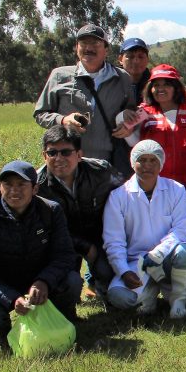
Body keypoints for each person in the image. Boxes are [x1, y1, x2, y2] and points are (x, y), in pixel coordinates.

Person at [0, 161, 81, 355]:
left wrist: (44, 281)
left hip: (40, 279)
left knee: (72, 281)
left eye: (21, 184)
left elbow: (64, 255)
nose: (14, 190)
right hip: (2, 282)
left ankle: (62, 319)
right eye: (8, 184)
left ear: (35, 188)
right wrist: (12, 298)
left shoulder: (51, 211)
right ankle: (2, 334)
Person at [102, 140, 186, 319]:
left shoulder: (176, 190)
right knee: (119, 297)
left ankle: (178, 300)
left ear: (161, 163)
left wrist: (159, 253)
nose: (147, 165)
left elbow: (181, 229)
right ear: (133, 163)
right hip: (136, 262)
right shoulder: (118, 197)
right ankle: (149, 294)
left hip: (169, 256)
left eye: (153, 160)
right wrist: (124, 271)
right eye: (142, 160)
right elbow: (113, 240)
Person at [34, 23, 138, 177]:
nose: (89, 48)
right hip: (65, 161)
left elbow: (132, 112)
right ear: (77, 47)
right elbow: (40, 113)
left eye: (95, 43)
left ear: (106, 49)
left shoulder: (122, 78)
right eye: (84, 43)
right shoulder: (59, 75)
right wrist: (63, 120)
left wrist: (129, 126)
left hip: (106, 163)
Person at [36, 126, 123, 298]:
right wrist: (84, 247)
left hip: (100, 235)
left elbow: (125, 199)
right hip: (61, 242)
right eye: (52, 153)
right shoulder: (37, 185)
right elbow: (45, 229)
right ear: (44, 156)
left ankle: (100, 284)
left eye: (66, 152)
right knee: (68, 284)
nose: (59, 158)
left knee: (107, 270)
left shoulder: (101, 171)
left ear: (79, 154)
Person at [128, 63, 186, 187]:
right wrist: (124, 119)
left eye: (167, 84)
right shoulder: (144, 112)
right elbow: (128, 136)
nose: (160, 89)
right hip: (158, 186)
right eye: (156, 85)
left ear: (176, 87)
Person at [119, 37, 151, 105]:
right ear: (120, 59)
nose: (136, 61)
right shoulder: (110, 82)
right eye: (130, 56)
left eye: (141, 57)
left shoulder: (154, 84)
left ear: (148, 59)